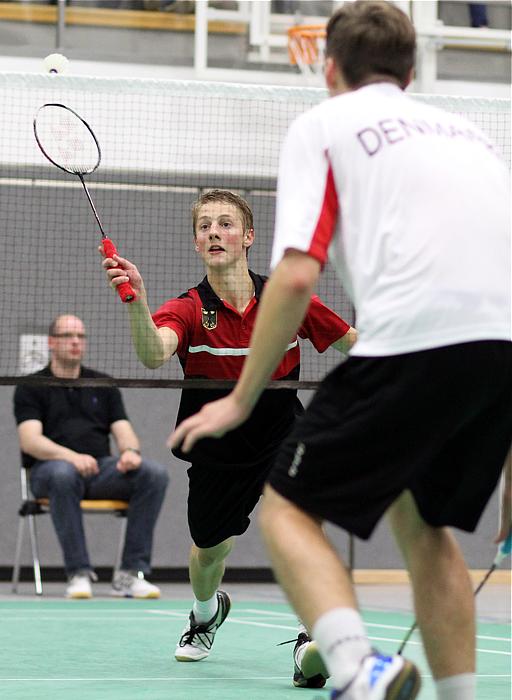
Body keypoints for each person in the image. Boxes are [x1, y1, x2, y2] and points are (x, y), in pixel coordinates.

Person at [169, 3, 512, 700]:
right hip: (498, 351)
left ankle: (357, 670)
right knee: (426, 527)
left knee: (288, 512)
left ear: (328, 68)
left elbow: (296, 274)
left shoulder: (325, 124)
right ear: (411, 72)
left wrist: (240, 398)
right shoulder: (475, 135)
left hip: (411, 341)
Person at [102, 188, 356, 687]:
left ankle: (315, 634)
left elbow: (352, 341)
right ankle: (205, 613)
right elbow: (155, 353)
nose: (214, 232)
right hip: (219, 448)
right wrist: (139, 303)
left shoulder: (286, 295)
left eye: (225, 224)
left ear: (248, 237)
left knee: (303, 523)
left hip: (283, 430)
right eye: (204, 226)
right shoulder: (190, 308)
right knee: (208, 554)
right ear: (197, 243)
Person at [13, 314, 169, 599]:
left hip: (99, 470)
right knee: (63, 474)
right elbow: (30, 441)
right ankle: (79, 573)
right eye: (67, 336)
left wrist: (131, 452)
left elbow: (124, 431)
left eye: (80, 336)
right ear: (51, 342)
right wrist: (71, 457)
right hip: (50, 472)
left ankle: (130, 574)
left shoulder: (102, 384)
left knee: (153, 474)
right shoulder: (31, 386)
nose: (75, 342)